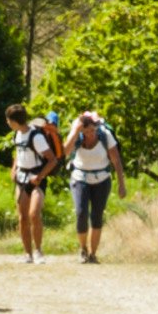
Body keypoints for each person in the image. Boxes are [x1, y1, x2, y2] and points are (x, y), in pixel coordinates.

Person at [63, 108, 117, 261]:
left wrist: (121, 183)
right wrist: (75, 132)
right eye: (87, 131)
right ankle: (83, 249)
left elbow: (116, 160)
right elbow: (64, 152)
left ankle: (93, 254)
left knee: (97, 216)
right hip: (80, 178)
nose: (90, 134)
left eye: (93, 130)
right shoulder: (77, 137)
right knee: (81, 213)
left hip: (102, 179)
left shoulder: (104, 135)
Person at [11, 104, 57, 258]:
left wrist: (39, 177)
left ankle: (38, 250)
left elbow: (52, 160)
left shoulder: (36, 137)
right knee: (22, 217)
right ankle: (27, 254)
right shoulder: (17, 134)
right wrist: (14, 168)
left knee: (34, 214)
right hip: (21, 178)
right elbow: (18, 152)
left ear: (13, 121)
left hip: (36, 178)